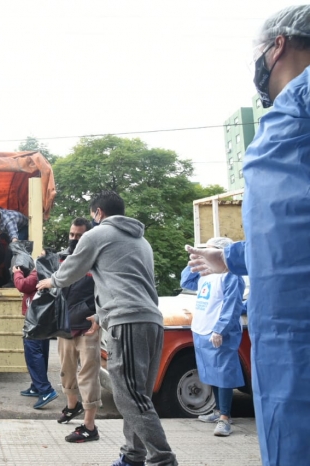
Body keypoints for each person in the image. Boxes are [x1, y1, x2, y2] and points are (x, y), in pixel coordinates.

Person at [186, 6, 310, 463]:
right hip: (283, 335)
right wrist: (233, 256)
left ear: (278, 45)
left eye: (259, 52)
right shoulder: (289, 111)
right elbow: (290, 227)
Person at [37, 191, 177, 466]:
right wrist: (100, 315)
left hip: (127, 322)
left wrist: (50, 281)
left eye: (92, 216)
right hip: (151, 321)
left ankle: (163, 460)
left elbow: (72, 269)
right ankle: (133, 456)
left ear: (98, 213)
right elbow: (125, 282)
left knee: (128, 397)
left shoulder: (98, 234)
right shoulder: (141, 240)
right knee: (139, 397)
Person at [180, 237, 245, 437]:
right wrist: (194, 259)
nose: (205, 255)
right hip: (202, 328)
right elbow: (186, 281)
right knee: (211, 372)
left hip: (218, 331)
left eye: (209, 252)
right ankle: (217, 411)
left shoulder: (231, 277)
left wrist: (220, 329)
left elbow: (232, 306)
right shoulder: (206, 274)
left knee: (223, 373)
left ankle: (225, 418)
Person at [56, 217, 101, 443]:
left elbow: (106, 291)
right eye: (72, 235)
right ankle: (72, 406)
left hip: (88, 326)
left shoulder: (99, 259)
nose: (74, 239)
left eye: (79, 235)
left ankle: (89, 426)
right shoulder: (64, 258)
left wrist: (96, 316)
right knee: (66, 370)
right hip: (65, 325)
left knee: (89, 375)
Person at [13, 254, 58, 410]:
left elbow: (23, 286)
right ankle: (36, 387)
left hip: (35, 318)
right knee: (42, 352)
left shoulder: (39, 271)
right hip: (43, 317)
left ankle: (46, 390)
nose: (37, 257)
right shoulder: (51, 270)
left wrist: (16, 272)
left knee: (33, 353)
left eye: (41, 255)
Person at [0, 204, 29, 285]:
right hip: (13, 228)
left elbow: (14, 237)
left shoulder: (9, 221)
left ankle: (14, 281)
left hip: (23, 229)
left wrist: (13, 249)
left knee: (12, 256)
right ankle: (9, 278)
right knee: (9, 255)